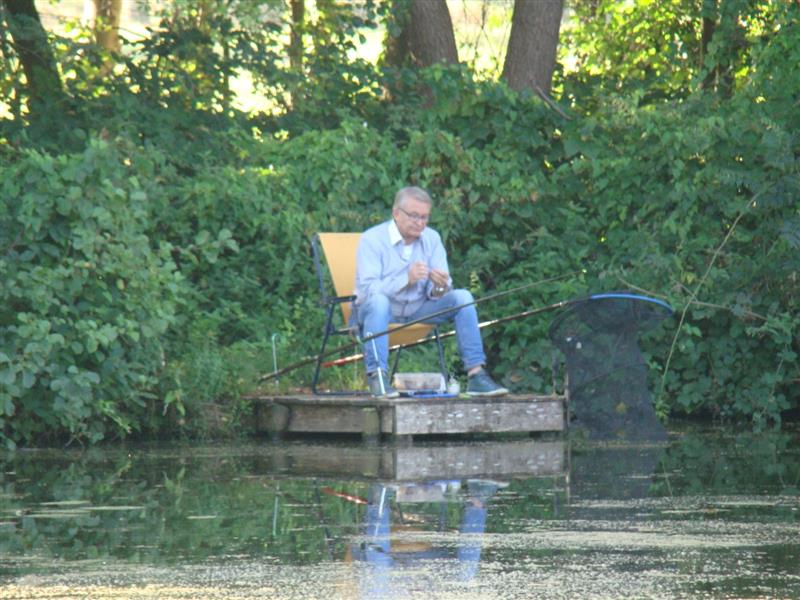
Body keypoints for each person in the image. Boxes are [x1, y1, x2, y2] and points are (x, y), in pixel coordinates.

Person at [354, 186, 508, 398]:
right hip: (379, 312)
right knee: (379, 302)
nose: (420, 223)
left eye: (424, 217)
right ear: (396, 213)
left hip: (418, 309)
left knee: (463, 297)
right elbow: (367, 291)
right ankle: (378, 377)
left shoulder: (432, 239)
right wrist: (405, 279)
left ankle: (476, 375)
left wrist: (440, 286)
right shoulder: (372, 240)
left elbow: (439, 291)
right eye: (414, 216)